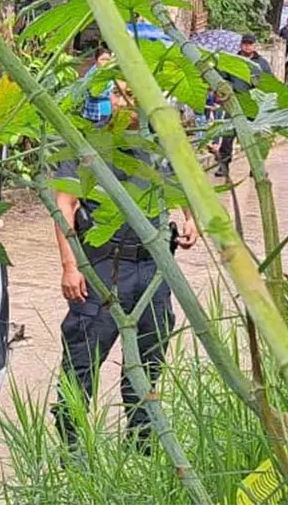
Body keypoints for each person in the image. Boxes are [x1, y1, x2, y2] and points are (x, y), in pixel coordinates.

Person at [52, 82, 199, 454]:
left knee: (148, 361)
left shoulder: (160, 141)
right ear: (108, 100)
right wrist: (70, 265)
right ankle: (74, 454)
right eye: (117, 94)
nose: (125, 101)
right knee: (82, 363)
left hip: (153, 267)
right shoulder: (86, 145)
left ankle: (141, 447)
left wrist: (190, 219)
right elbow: (64, 205)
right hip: (102, 265)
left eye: (132, 93)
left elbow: (183, 182)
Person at [216, 33, 273, 176]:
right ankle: (224, 166)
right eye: (245, 43)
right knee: (228, 135)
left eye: (250, 44)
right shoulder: (232, 61)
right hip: (235, 102)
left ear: (254, 45)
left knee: (256, 137)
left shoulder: (262, 64)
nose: (247, 46)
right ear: (241, 44)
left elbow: (269, 83)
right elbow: (222, 79)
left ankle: (257, 167)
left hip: (254, 105)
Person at [82, 47, 115, 125]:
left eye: (108, 60)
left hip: (105, 108)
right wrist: (112, 94)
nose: (105, 62)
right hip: (95, 110)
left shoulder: (108, 71)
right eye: (102, 59)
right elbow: (94, 93)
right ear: (96, 60)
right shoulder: (92, 74)